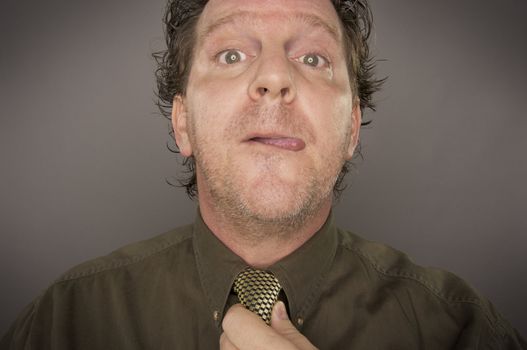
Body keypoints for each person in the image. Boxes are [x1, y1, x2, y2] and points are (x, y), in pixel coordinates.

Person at [1, 0, 525, 349]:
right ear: (183, 123)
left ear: (351, 131)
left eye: (314, 58)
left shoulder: (460, 329)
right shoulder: (64, 322)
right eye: (231, 54)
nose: (274, 78)